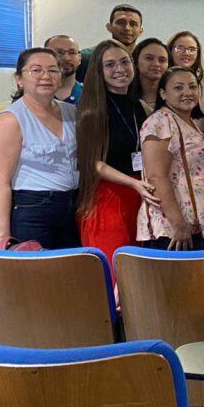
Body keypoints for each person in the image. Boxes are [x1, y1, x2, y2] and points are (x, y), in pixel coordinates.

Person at [76, 40, 160, 263]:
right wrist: (133, 183)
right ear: (99, 71)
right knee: (115, 268)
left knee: (140, 267)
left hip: (141, 193)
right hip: (108, 198)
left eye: (124, 62)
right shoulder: (92, 110)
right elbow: (92, 163)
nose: (120, 69)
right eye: (110, 65)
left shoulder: (139, 106)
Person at [0, 48, 80, 249]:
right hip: (33, 209)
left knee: (72, 265)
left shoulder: (71, 112)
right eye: (36, 70)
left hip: (73, 207)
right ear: (19, 79)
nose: (46, 76)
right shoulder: (11, 119)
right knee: (38, 268)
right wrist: (3, 238)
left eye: (53, 70)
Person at [137, 67, 204, 251]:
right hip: (173, 229)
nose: (187, 92)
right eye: (178, 87)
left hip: (197, 225)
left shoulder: (190, 122)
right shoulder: (160, 121)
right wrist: (178, 223)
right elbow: (156, 176)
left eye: (192, 87)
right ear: (163, 94)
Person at [76, 4, 145, 81]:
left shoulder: (147, 60)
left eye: (133, 24)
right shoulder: (87, 58)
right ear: (109, 27)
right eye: (120, 22)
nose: (127, 28)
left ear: (140, 31)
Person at [167, 31, 204, 121]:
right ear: (170, 51)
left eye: (192, 49)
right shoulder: (161, 82)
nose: (186, 53)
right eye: (180, 48)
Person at [130, 38, 170, 114]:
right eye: (149, 58)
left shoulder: (174, 99)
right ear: (136, 61)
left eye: (162, 60)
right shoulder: (124, 97)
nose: (156, 64)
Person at [43, 34, 83, 104]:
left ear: (79, 59)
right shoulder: (32, 95)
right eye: (59, 52)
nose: (66, 58)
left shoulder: (92, 96)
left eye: (72, 53)